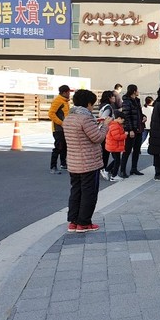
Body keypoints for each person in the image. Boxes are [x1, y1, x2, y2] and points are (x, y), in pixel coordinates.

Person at [62, 89, 111, 233]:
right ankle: (84, 223)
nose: (92, 107)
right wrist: (105, 125)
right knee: (88, 193)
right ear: (88, 103)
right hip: (88, 162)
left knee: (76, 192)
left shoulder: (69, 118)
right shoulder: (85, 118)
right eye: (92, 105)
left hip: (73, 162)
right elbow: (97, 137)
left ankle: (73, 221)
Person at [120, 84, 146, 178]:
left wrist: (144, 117)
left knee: (136, 150)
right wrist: (129, 129)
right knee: (127, 150)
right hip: (132, 129)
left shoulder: (137, 101)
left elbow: (139, 113)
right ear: (134, 91)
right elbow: (126, 116)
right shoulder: (127, 102)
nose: (138, 91)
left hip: (139, 128)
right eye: (137, 90)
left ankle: (134, 168)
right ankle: (122, 170)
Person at [48, 84, 71, 174]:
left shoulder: (65, 101)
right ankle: (53, 166)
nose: (69, 94)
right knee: (58, 147)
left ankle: (63, 164)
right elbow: (51, 114)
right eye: (68, 92)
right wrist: (62, 123)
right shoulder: (58, 101)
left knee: (64, 146)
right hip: (58, 129)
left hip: (64, 128)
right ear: (64, 92)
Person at [98, 90, 116, 180]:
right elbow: (103, 118)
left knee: (105, 151)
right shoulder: (108, 107)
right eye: (113, 96)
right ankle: (104, 169)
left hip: (103, 131)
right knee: (108, 151)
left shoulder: (103, 106)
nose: (114, 98)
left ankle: (104, 168)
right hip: (107, 131)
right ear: (109, 97)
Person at [105, 110, 127, 182]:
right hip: (114, 146)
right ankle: (113, 175)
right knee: (117, 160)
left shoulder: (115, 124)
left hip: (113, 145)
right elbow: (117, 137)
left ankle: (107, 170)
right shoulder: (115, 126)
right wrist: (125, 135)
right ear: (119, 118)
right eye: (123, 120)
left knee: (117, 160)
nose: (123, 122)